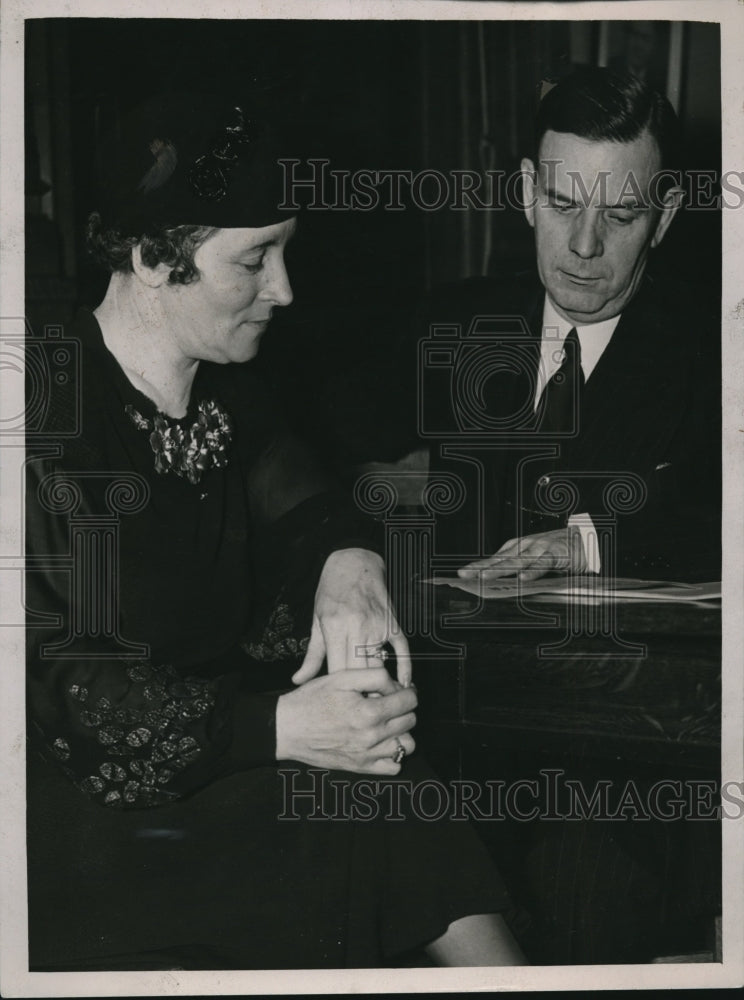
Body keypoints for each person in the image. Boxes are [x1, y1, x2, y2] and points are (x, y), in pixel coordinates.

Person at [25, 93, 525, 970]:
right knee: (368, 812)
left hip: (218, 777)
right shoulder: (50, 420)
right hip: (79, 817)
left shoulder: (230, 391)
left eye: (284, 253)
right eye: (256, 259)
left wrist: (353, 562)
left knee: (388, 783)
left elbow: (312, 506)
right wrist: (288, 729)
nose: (284, 290)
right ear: (151, 256)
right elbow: (78, 699)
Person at [420, 67, 720, 585]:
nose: (584, 245)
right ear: (527, 193)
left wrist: (585, 543)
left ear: (663, 219)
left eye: (621, 217)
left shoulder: (716, 354)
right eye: (562, 205)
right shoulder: (453, 321)